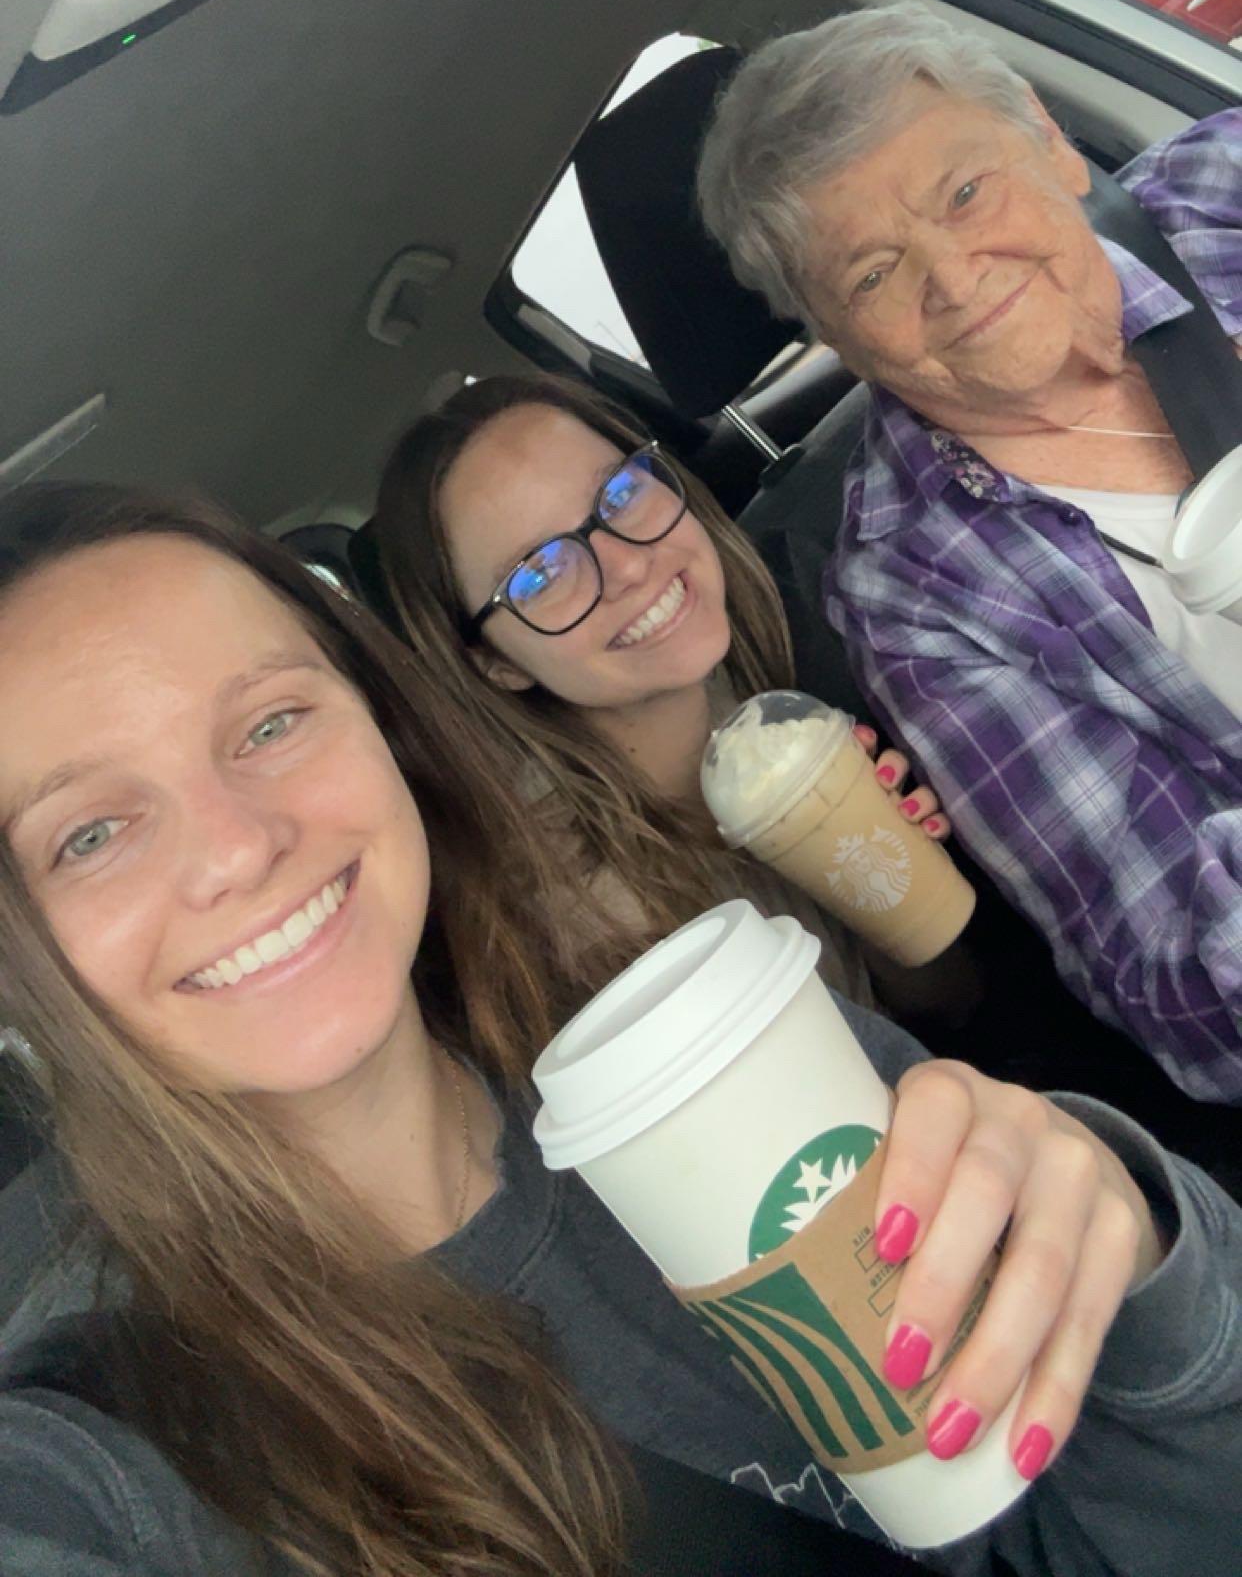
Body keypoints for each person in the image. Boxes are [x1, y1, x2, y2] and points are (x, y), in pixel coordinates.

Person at [1, 478, 1241, 1577]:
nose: (237, 846)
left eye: (272, 723)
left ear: (386, 724)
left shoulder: (727, 1057)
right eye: (89, 835)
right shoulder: (107, 1451)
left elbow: (1076, 1531)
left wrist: (1142, 1287)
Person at [697, 0, 1242, 1105]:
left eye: (963, 191)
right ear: (833, 338)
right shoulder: (909, 587)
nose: (952, 278)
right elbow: (1173, 979)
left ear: (1047, 138)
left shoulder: (1222, 191)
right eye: (872, 274)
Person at [375, 371, 963, 1043]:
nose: (627, 565)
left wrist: (893, 886)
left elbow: (945, 1007)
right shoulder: (579, 927)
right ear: (495, 663)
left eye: (620, 493)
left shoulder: (808, 661)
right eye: (539, 573)